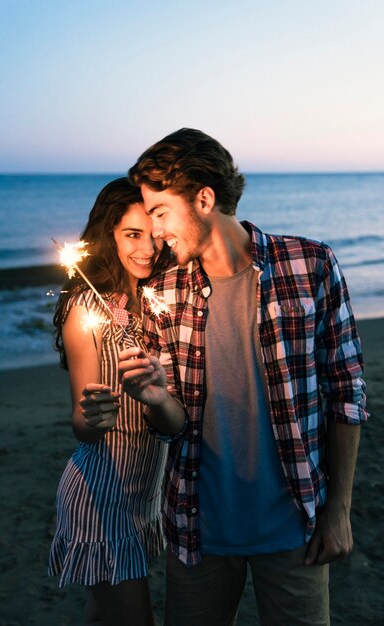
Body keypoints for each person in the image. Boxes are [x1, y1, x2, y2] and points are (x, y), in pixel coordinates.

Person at [118, 129, 368, 626]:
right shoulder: (160, 294)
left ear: (204, 199)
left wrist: (338, 509)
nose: (157, 231)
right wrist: (155, 399)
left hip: (295, 528)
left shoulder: (311, 265)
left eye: (162, 212)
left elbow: (346, 392)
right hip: (197, 532)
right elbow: (171, 427)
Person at [48, 177, 171, 626]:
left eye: (153, 234)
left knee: (105, 617)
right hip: (103, 493)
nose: (147, 248)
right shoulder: (87, 308)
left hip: (145, 491)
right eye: (131, 235)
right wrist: (94, 417)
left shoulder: (146, 302)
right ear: (108, 236)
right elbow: (80, 424)